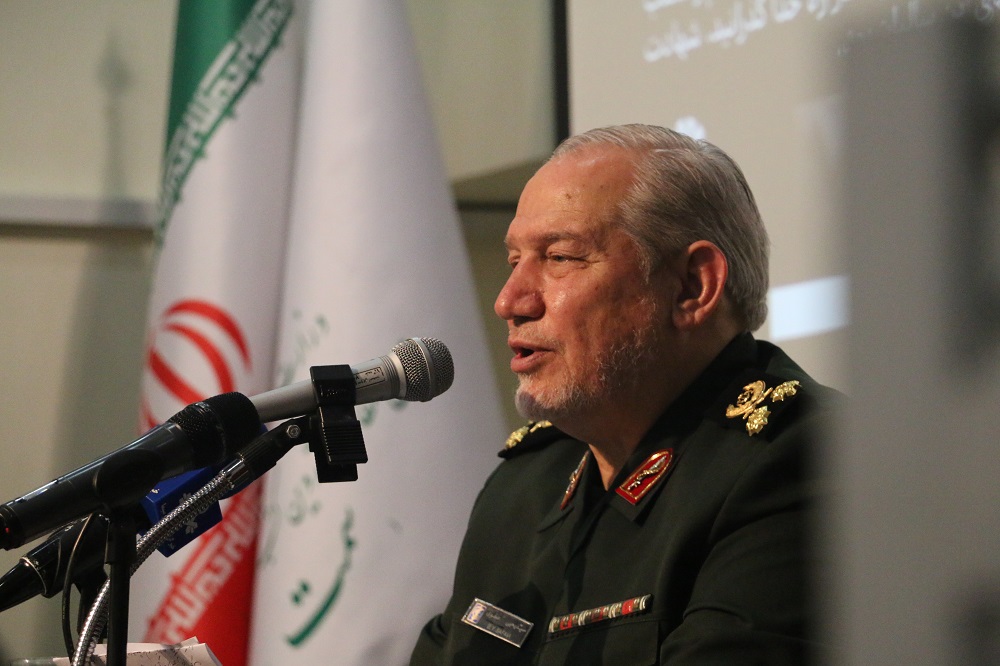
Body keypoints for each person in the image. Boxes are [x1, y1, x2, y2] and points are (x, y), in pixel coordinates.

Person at [411, 124, 839, 664]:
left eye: (560, 257)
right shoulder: (521, 486)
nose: (509, 301)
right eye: (515, 260)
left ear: (692, 286)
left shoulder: (803, 459)